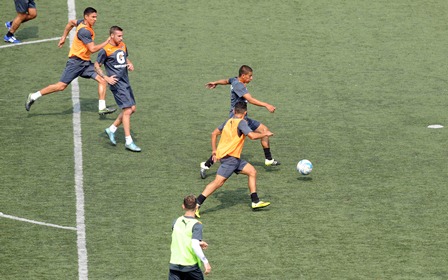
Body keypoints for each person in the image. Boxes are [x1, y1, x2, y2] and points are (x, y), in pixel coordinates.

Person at [24, 7, 116, 115]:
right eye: (93, 17)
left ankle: (102, 108)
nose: (95, 19)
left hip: (85, 63)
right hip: (75, 63)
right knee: (60, 86)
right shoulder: (84, 31)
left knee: (102, 80)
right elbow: (92, 49)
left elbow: (71, 23)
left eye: (96, 17)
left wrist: (64, 36)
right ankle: (33, 96)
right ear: (86, 17)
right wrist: (107, 41)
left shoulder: (82, 22)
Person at [200, 65, 280, 179]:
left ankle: (268, 159)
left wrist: (216, 82)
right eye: (249, 76)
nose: (251, 78)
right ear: (243, 76)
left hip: (244, 118)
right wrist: (267, 105)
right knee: (227, 146)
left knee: (264, 130)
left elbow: (226, 80)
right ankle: (206, 165)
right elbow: (251, 99)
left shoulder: (235, 80)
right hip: (235, 120)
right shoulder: (238, 86)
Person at [195, 101, 272, 218]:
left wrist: (214, 150)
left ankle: (255, 201)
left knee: (252, 172)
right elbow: (252, 136)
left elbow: (214, 133)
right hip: (230, 160)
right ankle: (196, 204)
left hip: (234, 158)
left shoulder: (228, 121)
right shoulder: (242, 123)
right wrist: (265, 134)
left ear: (234, 111)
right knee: (217, 183)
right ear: (245, 112)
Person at [95, 26, 141, 152]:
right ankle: (128, 141)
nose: (121, 38)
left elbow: (124, 57)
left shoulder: (122, 45)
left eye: (122, 36)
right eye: (119, 36)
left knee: (132, 109)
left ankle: (111, 129)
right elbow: (96, 65)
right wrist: (105, 77)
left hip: (126, 82)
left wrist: (129, 63)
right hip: (117, 84)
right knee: (127, 110)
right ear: (112, 36)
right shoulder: (105, 50)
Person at [169, 195, 211, 280]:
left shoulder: (176, 222)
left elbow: (181, 237)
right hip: (190, 266)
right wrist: (205, 262)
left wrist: (198, 242)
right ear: (196, 207)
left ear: (183, 206)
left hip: (174, 265)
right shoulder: (197, 225)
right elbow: (194, 245)